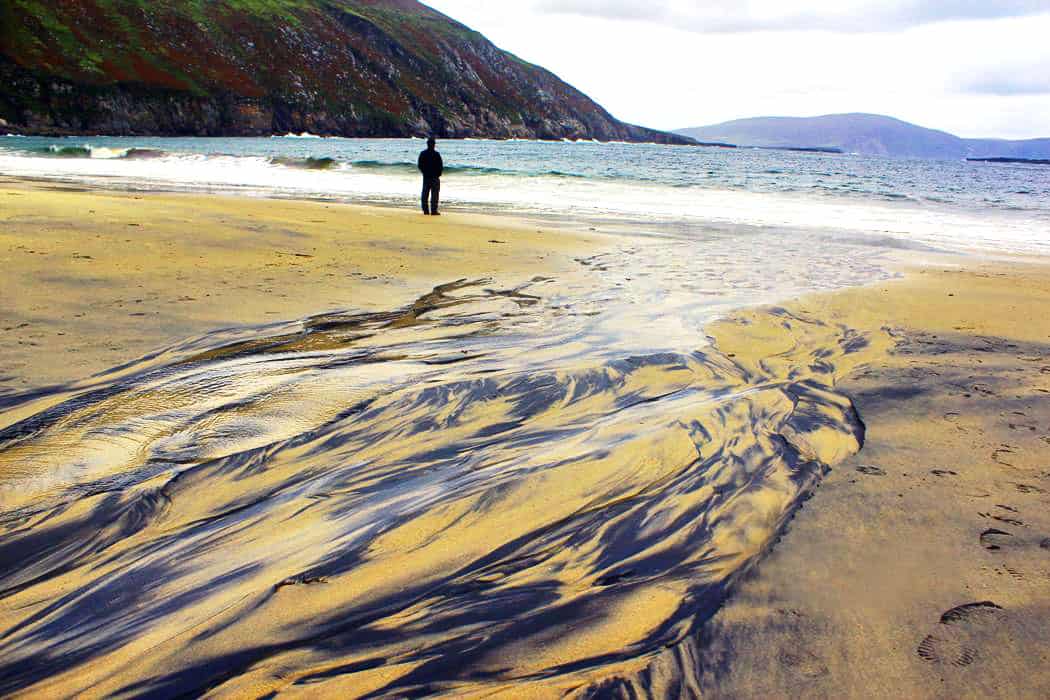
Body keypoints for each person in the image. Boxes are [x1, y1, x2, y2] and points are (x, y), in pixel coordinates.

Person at [418, 137, 443, 216]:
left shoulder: (423, 153)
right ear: (434, 145)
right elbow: (440, 166)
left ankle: (425, 210)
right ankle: (433, 210)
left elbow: (420, 165)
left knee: (425, 194)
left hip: (427, 176)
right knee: (434, 195)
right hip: (434, 177)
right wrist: (438, 174)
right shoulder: (436, 154)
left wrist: (424, 172)